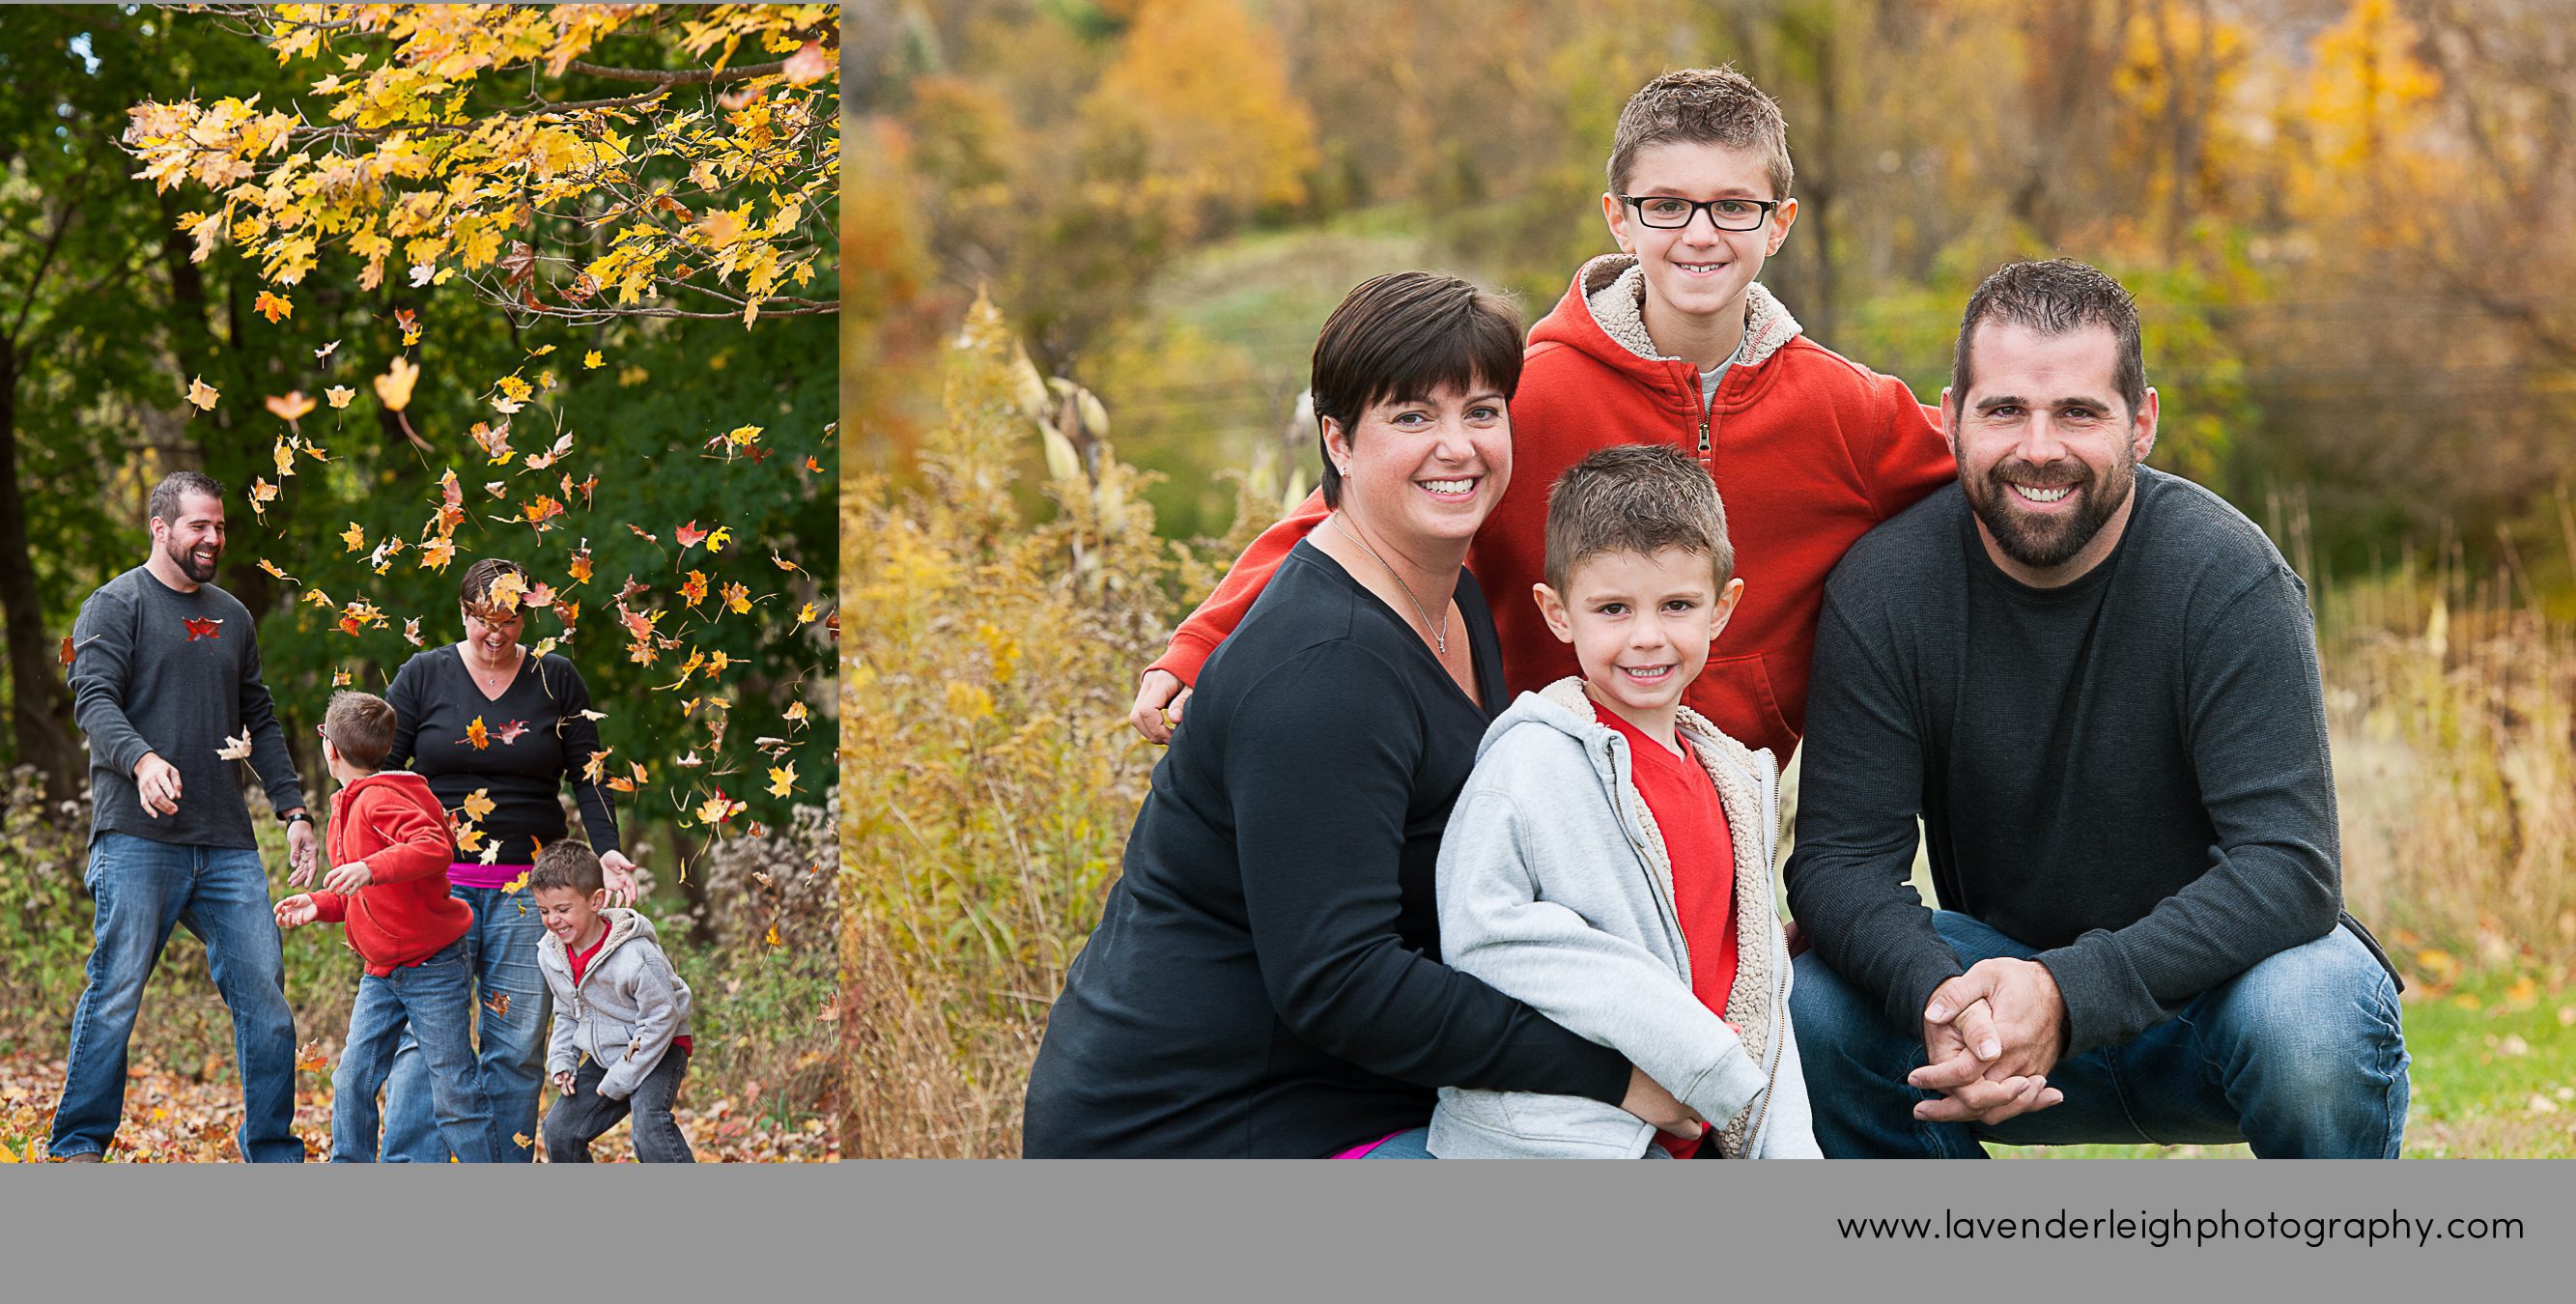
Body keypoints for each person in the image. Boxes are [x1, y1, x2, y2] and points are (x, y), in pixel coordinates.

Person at [1023, 271, 1704, 1158]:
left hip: (1348, 1092)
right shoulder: (1324, 670)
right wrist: (1614, 1073)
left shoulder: (1450, 598)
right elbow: (1339, 981)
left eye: (1481, 411)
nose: (1456, 447)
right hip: (1201, 1128)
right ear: (1338, 442)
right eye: (1412, 417)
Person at [1126, 67, 1953, 762]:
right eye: (1665, 205)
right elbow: (1348, 512)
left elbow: (1987, 474)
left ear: (1778, 225)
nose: (1699, 233)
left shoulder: (1849, 411)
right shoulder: (1529, 389)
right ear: (1618, 218)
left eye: (1733, 206)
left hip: (1723, 793)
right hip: (1534, 774)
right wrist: (1203, 644)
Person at [1784, 259, 2409, 1158]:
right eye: (2003, 411)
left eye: (2078, 412)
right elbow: (1839, 862)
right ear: (1951, 416)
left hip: (2209, 1007)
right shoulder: (1885, 587)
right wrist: (1937, 989)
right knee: (1814, 1005)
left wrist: (2068, 992)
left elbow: (2287, 868)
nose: (2039, 447)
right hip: (1983, 1012)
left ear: (2141, 421)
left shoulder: (2228, 577)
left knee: (2312, 1009)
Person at [1430, 444, 1836, 1158]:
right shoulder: (1528, 761)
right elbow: (1484, 930)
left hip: (1695, 1138)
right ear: (1557, 614)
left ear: (1722, 607)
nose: (1646, 637)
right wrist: (1691, 1049)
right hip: (1558, 1146)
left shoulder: (1731, 779)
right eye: (1612, 608)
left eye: (1676, 605)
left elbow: (1758, 990)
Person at [50, 470, 317, 1163]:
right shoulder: (114, 606)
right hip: (138, 840)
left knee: (266, 1001)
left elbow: (257, 714)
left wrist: (291, 808)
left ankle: (273, 1152)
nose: (213, 538)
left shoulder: (233, 614)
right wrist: (141, 762)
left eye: (220, 526)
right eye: (199, 525)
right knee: (115, 994)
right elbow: (95, 703)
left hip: (226, 841)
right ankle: (76, 1149)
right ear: (160, 528)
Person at [376, 557, 636, 1162]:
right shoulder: (422, 675)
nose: (496, 634)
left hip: (531, 893)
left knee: (515, 1042)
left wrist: (609, 848)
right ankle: (411, 1165)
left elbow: (587, 774)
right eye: (483, 619)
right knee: (425, 1039)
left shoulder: (555, 679)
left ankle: (501, 1167)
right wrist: (375, 858)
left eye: (510, 620)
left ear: (528, 614)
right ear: (463, 612)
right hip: (436, 888)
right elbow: (385, 774)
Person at [273, 691, 495, 1163]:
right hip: (382, 974)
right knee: (352, 1078)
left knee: (454, 1091)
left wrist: (372, 868)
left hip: (433, 967)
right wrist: (318, 904)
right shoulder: (348, 805)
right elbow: (363, 890)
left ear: (329, 748)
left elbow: (434, 847)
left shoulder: (379, 800)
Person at [531, 840, 695, 1163]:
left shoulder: (635, 955)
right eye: (544, 911)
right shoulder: (551, 954)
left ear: (596, 900)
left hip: (659, 1045)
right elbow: (567, 1011)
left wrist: (621, 1078)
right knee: (559, 1131)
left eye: (563, 910)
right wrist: (563, 1059)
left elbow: (663, 1016)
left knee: (648, 1128)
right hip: (609, 1053)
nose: (554, 920)